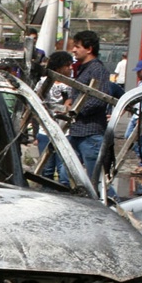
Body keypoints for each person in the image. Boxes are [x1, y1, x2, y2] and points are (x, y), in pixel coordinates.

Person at [69, 30, 111, 178]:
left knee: (96, 180)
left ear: (89, 49)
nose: (74, 50)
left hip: (90, 134)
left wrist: (75, 110)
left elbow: (99, 100)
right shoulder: (83, 69)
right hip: (77, 131)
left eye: (77, 46)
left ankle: (111, 202)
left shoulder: (97, 70)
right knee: (67, 174)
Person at [35, 50, 73, 186]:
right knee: (46, 170)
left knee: (64, 171)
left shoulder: (71, 85)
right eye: (67, 65)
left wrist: (66, 107)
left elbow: (70, 102)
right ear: (58, 67)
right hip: (45, 131)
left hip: (65, 131)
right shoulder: (43, 83)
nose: (70, 68)